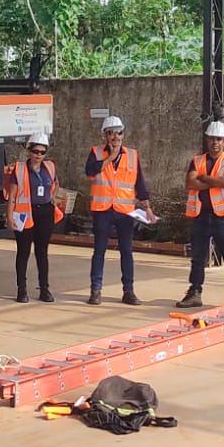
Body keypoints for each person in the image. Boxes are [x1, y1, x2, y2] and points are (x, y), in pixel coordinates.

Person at [177, 121, 224, 313]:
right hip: (201, 215)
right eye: (212, 138)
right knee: (197, 257)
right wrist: (216, 182)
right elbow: (191, 182)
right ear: (207, 139)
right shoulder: (197, 160)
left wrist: (204, 178)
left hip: (223, 217)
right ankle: (194, 292)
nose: (215, 142)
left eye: (219, 139)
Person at [84, 115, 149, 306]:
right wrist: (110, 158)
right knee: (99, 250)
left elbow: (139, 182)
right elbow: (90, 171)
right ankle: (96, 290)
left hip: (124, 211)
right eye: (111, 133)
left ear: (123, 134)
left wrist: (147, 206)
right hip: (102, 209)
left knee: (126, 251)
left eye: (119, 133)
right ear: (105, 136)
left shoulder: (132, 155)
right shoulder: (96, 152)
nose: (115, 137)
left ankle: (128, 291)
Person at [6, 132, 60, 303]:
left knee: (42, 252)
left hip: (45, 213)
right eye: (35, 151)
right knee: (23, 252)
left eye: (42, 152)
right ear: (29, 151)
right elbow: (12, 195)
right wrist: (9, 217)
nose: (38, 155)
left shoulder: (49, 167)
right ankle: (21, 289)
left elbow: (56, 183)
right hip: (24, 214)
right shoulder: (20, 169)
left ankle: (44, 289)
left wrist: (53, 197)